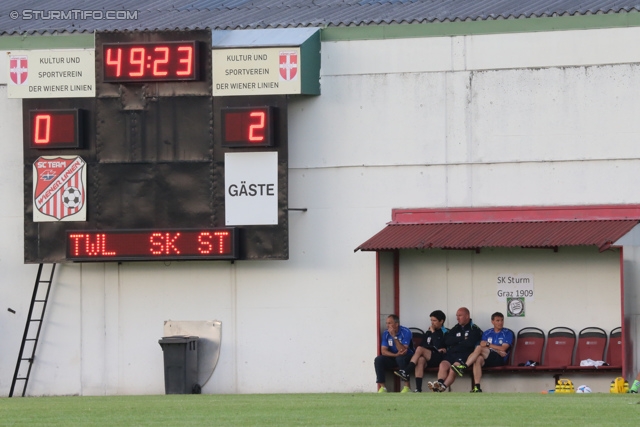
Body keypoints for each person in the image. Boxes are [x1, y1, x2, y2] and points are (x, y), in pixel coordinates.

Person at [451, 311, 514, 392]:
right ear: (492, 322)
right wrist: (496, 349)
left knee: (479, 348)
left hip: (500, 359)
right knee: (478, 359)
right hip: (488, 357)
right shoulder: (487, 333)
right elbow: (482, 343)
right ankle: (477, 387)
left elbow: (503, 349)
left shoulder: (507, 333)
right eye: (498, 320)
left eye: (502, 320)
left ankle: (464, 367)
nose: (500, 322)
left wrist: (488, 344)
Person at [427, 307, 482, 392]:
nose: (457, 318)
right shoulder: (455, 328)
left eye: (460, 315)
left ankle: (442, 388)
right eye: (457, 316)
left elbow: (470, 344)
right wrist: (461, 339)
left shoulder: (474, 329)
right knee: (443, 365)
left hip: (465, 354)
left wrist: (456, 341)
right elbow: (447, 341)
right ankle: (439, 383)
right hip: (452, 353)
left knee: (454, 368)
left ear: (467, 316)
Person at [394, 310, 447, 392]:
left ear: (441, 321)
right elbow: (423, 344)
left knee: (419, 349)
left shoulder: (445, 332)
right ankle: (418, 389)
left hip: (438, 357)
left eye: (434, 321)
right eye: (431, 320)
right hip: (428, 357)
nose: (432, 323)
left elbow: (438, 345)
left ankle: (407, 371)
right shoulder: (428, 333)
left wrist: (433, 332)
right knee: (420, 359)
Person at [374, 314, 414, 393]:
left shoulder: (406, 331)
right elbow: (384, 351)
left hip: (407, 356)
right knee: (378, 359)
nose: (387, 325)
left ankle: (407, 387)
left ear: (396, 324)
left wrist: (394, 336)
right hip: (394, 356)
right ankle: (383, 388)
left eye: (389, 323)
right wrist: (395, 355)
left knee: (400, 359)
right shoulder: (386, 333)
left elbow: (403, 350)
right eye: (386, 323)